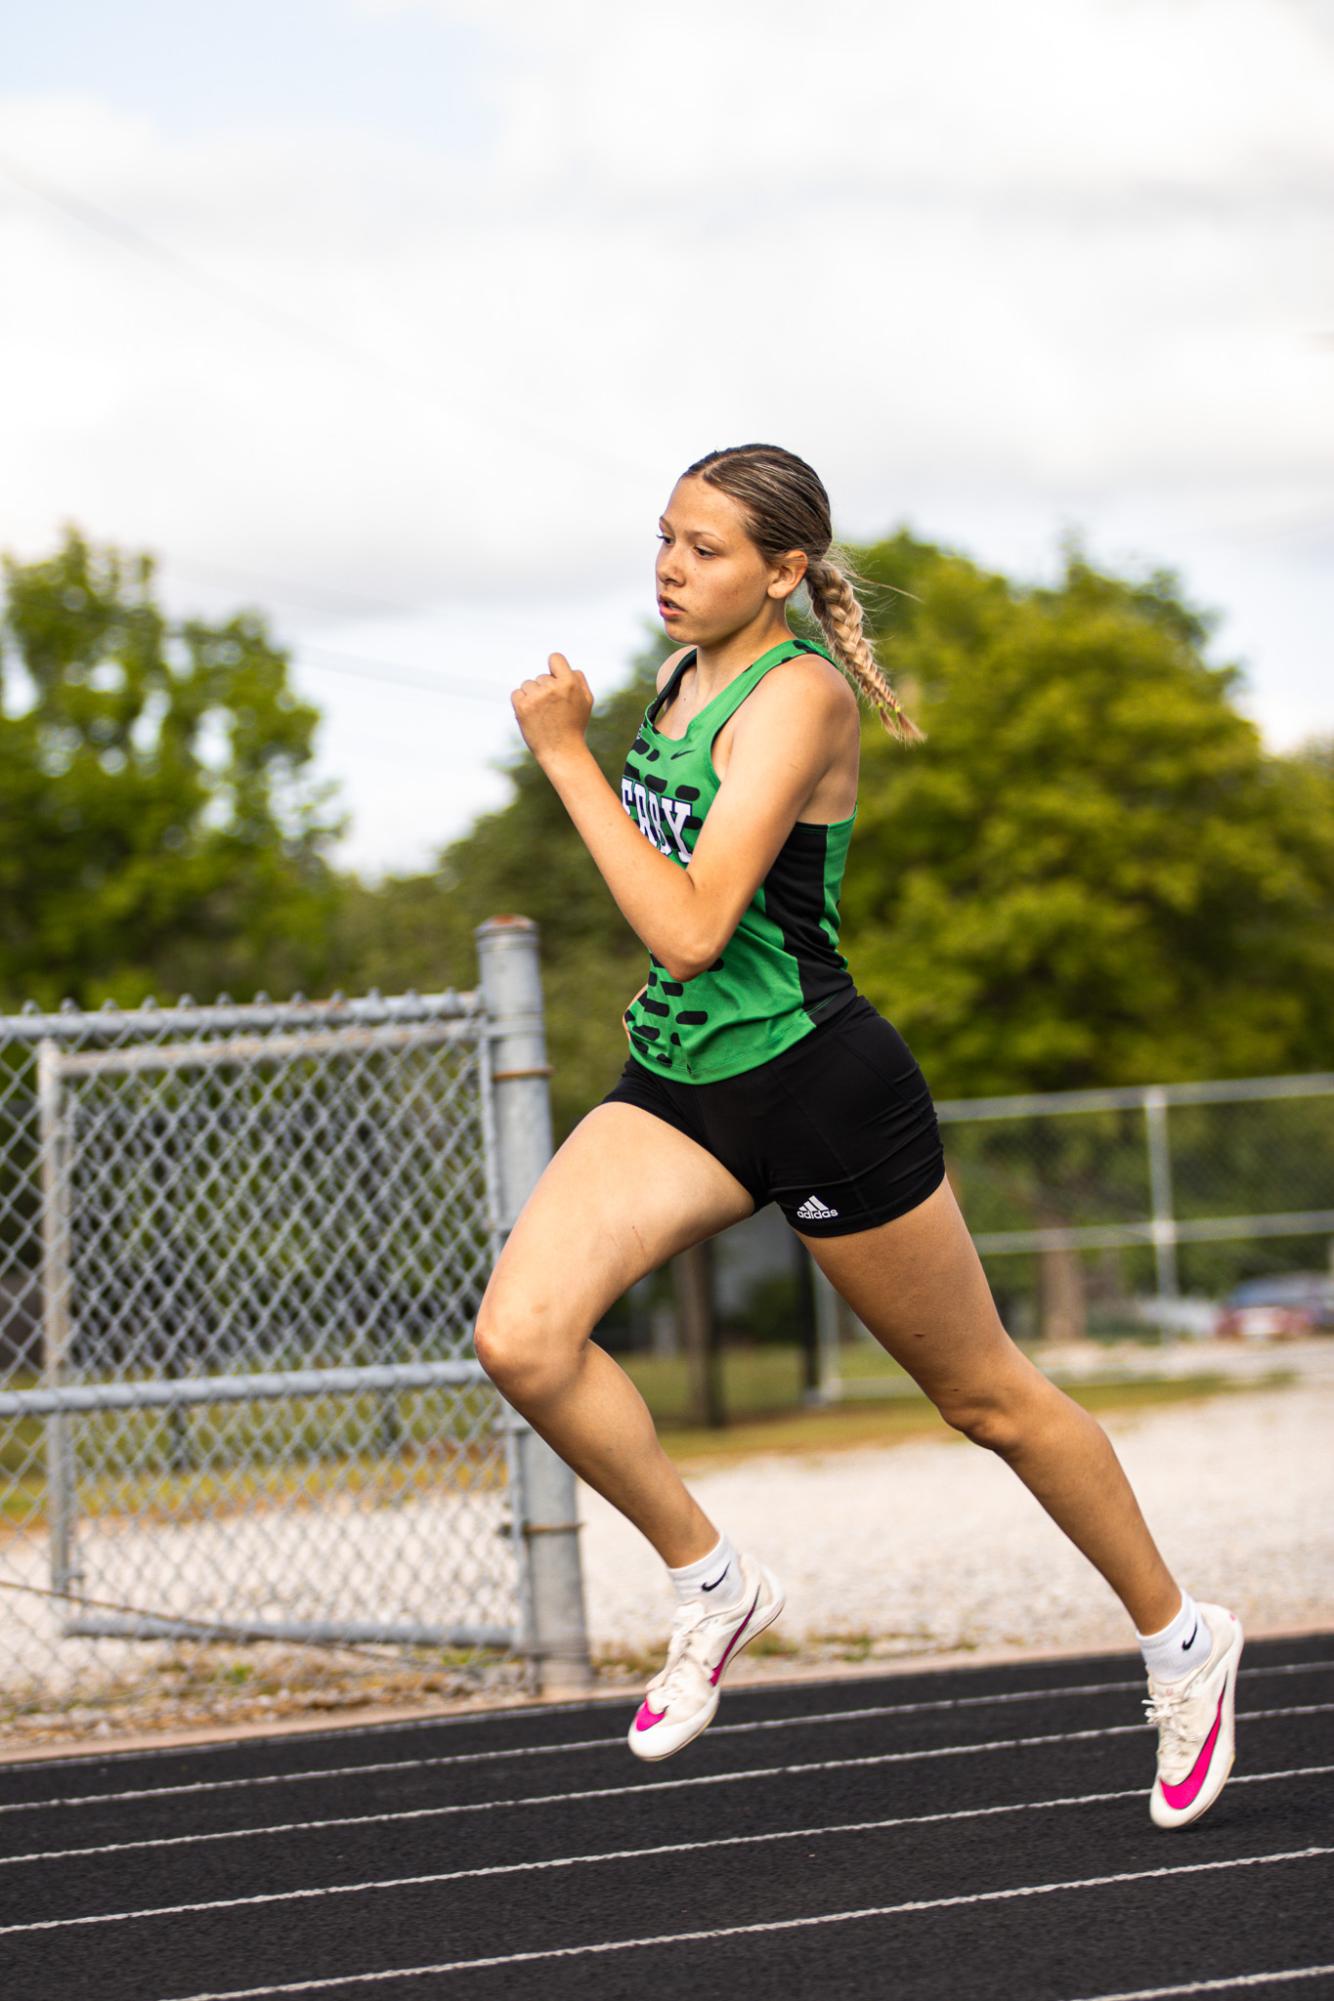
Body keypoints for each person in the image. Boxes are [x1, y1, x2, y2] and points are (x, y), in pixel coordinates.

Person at [475, 442, 1241, 1830]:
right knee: (522, 1339)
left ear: (780, 573)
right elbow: (687, 956)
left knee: (985, 1399)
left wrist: (560, 758)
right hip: (680, 1080)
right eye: (663, 537)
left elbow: (695, 925)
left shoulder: (796, 696)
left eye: (704, 549)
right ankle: (712, 1581)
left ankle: (1182, 1640)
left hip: (819, 1087)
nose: (668, 566)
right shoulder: (678, 672)